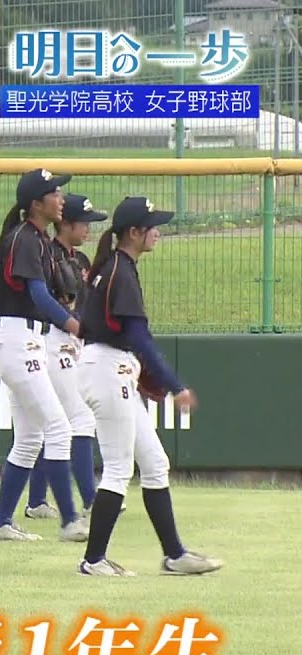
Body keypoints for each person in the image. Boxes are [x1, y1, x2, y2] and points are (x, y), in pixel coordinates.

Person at [75, 196, 223, 577]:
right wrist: (175, 386)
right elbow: (138, 337)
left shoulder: (116, 265)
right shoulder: (120, 269)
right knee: (119, 468)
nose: (157, 231)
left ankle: (174, 555)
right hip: (107, 367)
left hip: (110, 366)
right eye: (151, 225)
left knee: (156, 463)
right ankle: (93, 560)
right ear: (134, 232)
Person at [0, 168, 89, 543]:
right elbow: (39, 296)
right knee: (59, 427)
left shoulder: (38, 239)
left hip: (24, 340)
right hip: (17, 339)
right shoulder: (25, 238)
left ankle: (0, 523)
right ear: (35, 203)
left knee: (29, 439)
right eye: (54, 192)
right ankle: (70, 520)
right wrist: (74, 324)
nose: (61, 198)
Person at [24, 193, 105, 521]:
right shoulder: (48, 255)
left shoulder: (81, 261)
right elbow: (43, 300)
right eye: (84, 223)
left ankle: (37, 501)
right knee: (79, 419)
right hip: (53, 339)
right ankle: (90, 500)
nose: (88, 229)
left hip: (76, 339)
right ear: (66, 223)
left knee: (50, 426)